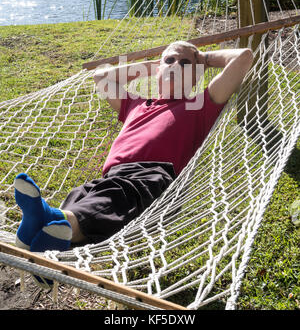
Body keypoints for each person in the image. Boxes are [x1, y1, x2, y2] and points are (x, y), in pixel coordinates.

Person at [14, 41, 253, 257]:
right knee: (82, 196)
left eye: (185, 64)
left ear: (196, 77)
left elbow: (243, 57)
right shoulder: (136, 104)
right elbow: (101, 77)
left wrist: (202, 57)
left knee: (114, 198)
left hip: (154, 178)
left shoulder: (199, 106)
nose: (175, 65)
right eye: (169, 60)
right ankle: (41, 237)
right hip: (112, 177)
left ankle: (46, 220)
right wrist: (153, 65)